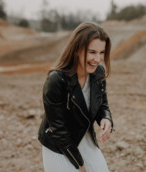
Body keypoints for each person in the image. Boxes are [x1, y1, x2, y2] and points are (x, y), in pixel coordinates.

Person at [38, 22, 114, 172]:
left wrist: (106, 118)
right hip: (59, 145)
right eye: (92, 52)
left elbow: (102, 104)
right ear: (77, 49)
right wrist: (79, 164)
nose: (98, 59)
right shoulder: (56, 80)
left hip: (85, 138)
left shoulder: (98, 72)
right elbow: (58, 129)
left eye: (102, 52)